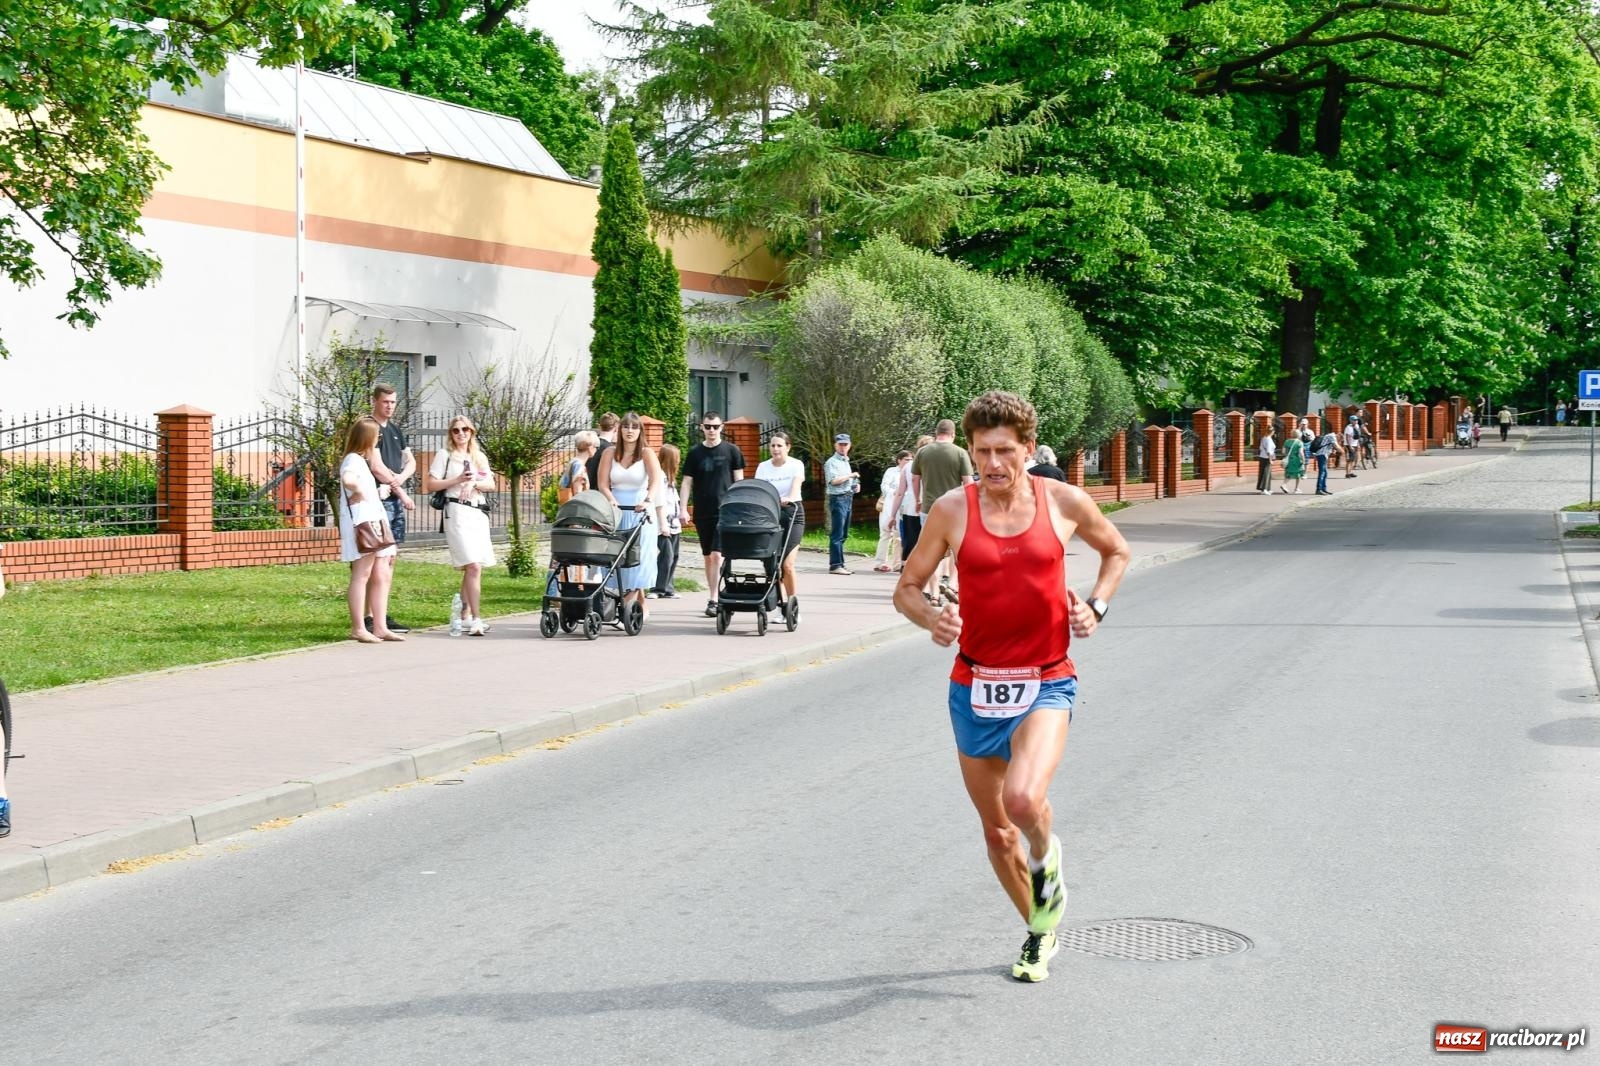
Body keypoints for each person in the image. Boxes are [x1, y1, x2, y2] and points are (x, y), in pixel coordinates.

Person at [894, 390, 1130, 983]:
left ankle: (1049, 858)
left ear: (1028, 448)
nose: (993, 464)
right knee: (998, 831)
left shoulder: (1064, 502)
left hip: (1047, 676)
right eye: (982, 452)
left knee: (1024, 801)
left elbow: (1116, 551)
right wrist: (933, 619)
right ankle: (1040, 930)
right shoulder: (952, 509)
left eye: (1004, 450)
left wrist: (1096, 607)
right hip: (974, 681)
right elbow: (907, 587)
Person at [427, 415, 497, 636]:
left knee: (474, 566)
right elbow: (430, 483)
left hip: (477, 512)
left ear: (471, 432)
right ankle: (477, 619)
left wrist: (475, 482)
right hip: (456, 511)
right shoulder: (445, 455)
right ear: (451, 434)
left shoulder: (478, 456)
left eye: (465, 429)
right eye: (456, 430)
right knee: (473, 565)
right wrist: (457, 480)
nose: (461, 434)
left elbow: (491, 484)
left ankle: (463, 613)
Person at [338, 416, 404, 644]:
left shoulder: (360, 461)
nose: (378, 441)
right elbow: (348, 479)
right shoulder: (353, 460)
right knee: (362, 573)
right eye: (376, 437)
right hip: (364, 523)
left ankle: (380, 626)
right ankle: (359, 627)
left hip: (374, 520)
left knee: (381, 572)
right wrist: (356, 489)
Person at [598, 412, 664, 619]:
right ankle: (639, 603)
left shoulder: (646, 453)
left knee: (639, 556)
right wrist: (609, 498)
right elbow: (602, 483)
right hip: (617, 510)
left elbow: (655, 481)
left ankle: (626, 605)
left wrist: (647, 501)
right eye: (626, 427)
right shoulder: (609, 453)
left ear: (639, 431)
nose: (629, 431)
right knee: (619, 556)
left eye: (634, 427)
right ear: (619, 430)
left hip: (639, 510)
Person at [682, 412, 746, 618]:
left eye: (715, 427)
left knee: (718, 555)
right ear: (702, 427)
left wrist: (740, 507)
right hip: (703, 510)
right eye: (708, 426)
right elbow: (686, 482)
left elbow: (739, 482)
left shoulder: (732, 451)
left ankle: (715, 598)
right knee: (709, 556)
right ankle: (714, 595)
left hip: (726, 510)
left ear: (722, 427)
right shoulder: (695, 453)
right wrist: (683, 508)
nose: (711, 430)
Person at [365, 384, 415, 634]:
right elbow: (376, 466)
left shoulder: (395, 430)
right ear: (375, 401)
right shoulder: (370, 428)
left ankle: (380, 611)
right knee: (377, 559)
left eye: (393, 402)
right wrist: (400, 489)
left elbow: (411, 462)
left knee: (391, 558)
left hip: (392, 495)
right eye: (385, 402)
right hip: (378, 498)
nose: (389, 406)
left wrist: (399, 481)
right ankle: (370, 615)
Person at [912, 420, 976, 600]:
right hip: (955, 511)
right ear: (953, 434)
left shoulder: (923, 452)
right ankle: (952, 585)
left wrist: (918, 499)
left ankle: (933, 594)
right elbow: (969, 483)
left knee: (932, 552)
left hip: (929, 508)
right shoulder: (960, 453)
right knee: (958, 551)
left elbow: (915, 479)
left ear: (936, 432)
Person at [754, 430, 806, 605]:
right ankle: (781, 603)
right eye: (773, 445)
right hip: (770, 515)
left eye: (779, 446)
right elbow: (759, 490)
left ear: (788, 447)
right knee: (772, 565)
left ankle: (792, 604)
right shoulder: (763, 467)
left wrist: (789, 498)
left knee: (787, 565)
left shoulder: (796, 464)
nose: (775, 449)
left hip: (792, 513)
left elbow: (796, 484)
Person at [892, 435, 934, 565]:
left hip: (909, 506)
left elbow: (900, 493)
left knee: (910, 539)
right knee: (927, 540)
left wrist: (893, 514)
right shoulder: (932, 465)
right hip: (926, 505)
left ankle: (905, 565)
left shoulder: (907, 466)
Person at [651, 443, 685, 599]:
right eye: (676, 458)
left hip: (674, 524)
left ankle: (668, 588)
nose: (678, 461)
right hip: (663, 524)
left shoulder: (670, 479)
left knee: (675, 555)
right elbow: (660, 502)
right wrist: (662, 522)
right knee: (667, 555)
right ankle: (658, 588)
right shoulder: (660, 478)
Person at [822, 433, 859, 575]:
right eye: (840, 444)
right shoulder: (832, 462)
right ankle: (835, 565)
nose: (843, 447)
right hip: (838, 499)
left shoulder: (845, 461)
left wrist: (855, 484)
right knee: (837, 534)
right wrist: (850, 476)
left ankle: (840, 563)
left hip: (847, 497)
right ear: (835, 445)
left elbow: (847, 480)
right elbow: (834, 481)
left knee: (843, 533)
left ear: (849, 445)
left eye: (846, 444)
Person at [873, 453, 903, 572]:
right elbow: (884, 486)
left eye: (911, 459)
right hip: (889, 505)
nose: (909, 461)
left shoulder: (911, 471)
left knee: (899, 536)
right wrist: (895, 492)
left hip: (903, 507)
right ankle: (880, 563)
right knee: (886, 533)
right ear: (899, 460)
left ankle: (897, 564)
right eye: (906, 459)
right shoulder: (891, 471)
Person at [561, 431, 599, 505]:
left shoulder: (573, 462)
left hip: (565, 506)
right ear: (590, 447)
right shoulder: (580, 468)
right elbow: (578, 495)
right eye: (596, 447)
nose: (596, 450)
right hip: (575, 510)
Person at [585, 412, 620, 488]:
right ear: (616, 428)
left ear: (600, 426)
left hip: (585, 490)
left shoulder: (590, 445)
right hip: (600, 492)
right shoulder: (611, 450)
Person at [1312, 425, 1337, 495]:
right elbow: (1336, 445)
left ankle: (1323, 489)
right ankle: (1319, 489)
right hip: (1322, 455)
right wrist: (1342, 451)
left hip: (1323, 455)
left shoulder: (1328, 437)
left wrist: (1333, 450)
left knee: (1325, 473)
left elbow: (1329, 447)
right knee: (1322, 473)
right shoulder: (1332, 436)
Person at [1279, 428, 1304, 494]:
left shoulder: (1287, 441)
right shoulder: (1299, 442)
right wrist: (1303, 460)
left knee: (1288, 473)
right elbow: (1301, 453)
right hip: (1296, 459)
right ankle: (1296, 489)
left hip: (1289, 459)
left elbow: (1283, 452)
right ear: (1299, 435)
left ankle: (1284, 484)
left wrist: (1287, 455)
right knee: (1298, 474)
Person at [1256, 425, 1275, 495]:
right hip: (1267, 458)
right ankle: (1264, 489)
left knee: (1265, 473)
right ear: (1272, 432)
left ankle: (1267, 488)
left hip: (1262, 457)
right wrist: (1270, 460)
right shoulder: (1269, 440)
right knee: (1266, 474)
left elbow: (1261, 448)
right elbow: (1269, 451)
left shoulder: (1264, 438)